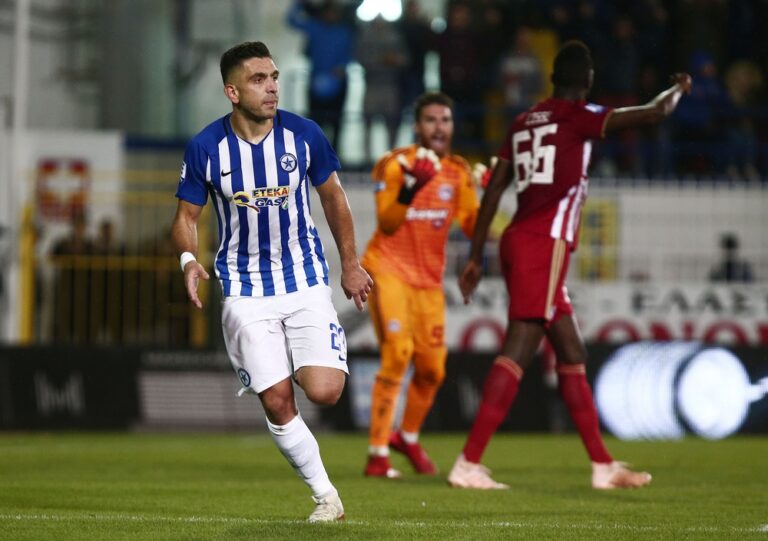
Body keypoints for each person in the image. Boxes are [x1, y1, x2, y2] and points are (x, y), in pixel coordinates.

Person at [447, 40, 692, 490]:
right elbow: (654, 113)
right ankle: (468, 463)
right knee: (519, 346)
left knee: (572, 352)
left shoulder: (523, 121)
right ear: (589, 79)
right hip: (545, 243)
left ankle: (602, 466)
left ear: (552, 78)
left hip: (519, 239)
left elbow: (495, 189)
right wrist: (677, 89)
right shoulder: (579, 117)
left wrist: (476, 255)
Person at [171, 41, 372, 522]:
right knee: (278, 400)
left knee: (324, 390)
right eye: (259, 79)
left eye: (274, 77)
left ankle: (298, 358)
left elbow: (334, 198)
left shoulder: (304, 134)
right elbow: (185, 217)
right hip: (244, 288)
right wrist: (188, 259)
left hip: (304, 279)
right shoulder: (206, 147)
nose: (272, 87)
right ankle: (326, 497)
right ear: (232, 92)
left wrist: (350, 263)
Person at [361, 91, 479, 478]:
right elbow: (388, 223)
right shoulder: (395, 164)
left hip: (428, 283)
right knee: (398, 354)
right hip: (388, 270)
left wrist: (492, 192)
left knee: (432, 370)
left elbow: (473, 227)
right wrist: (411, 189)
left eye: (445, 120)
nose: (439, 127)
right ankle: (378, 453)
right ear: (417, 126)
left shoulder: (458, 172)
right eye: (431, 120)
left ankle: (407, 437)